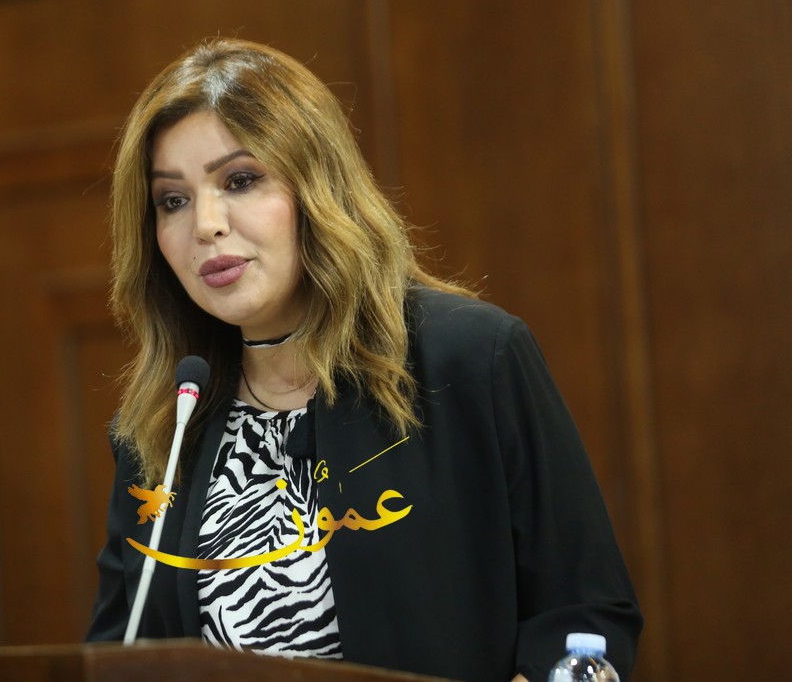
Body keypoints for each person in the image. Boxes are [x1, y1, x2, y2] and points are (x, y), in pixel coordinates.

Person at [86, 37, 642, 682]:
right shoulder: (163, 425)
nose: (205, 224)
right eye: (172, 200)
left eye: (240, 180)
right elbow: (118, 653)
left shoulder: (470, 358)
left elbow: (585, 615)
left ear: (318, 185)